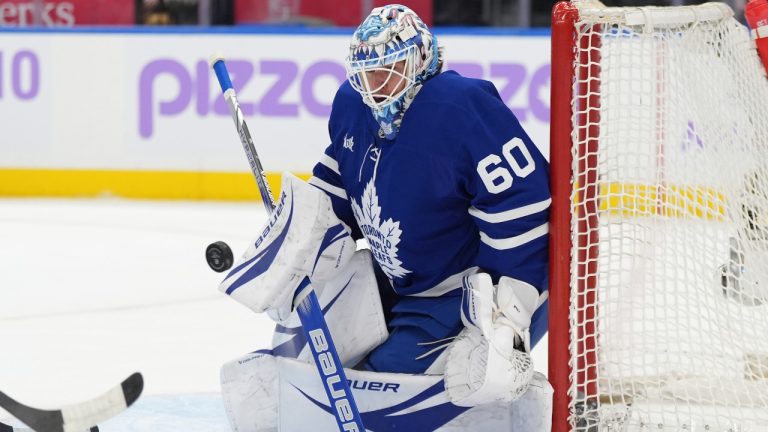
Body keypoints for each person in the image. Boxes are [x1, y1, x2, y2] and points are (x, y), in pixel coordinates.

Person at [218, 4, 551, 424]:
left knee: (380, 390)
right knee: (303, 360)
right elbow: (337, 187)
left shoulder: (460, 108)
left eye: (388, 69)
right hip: (393, 280)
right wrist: (297, 243)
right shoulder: (351, 105)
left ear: (421, 60)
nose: (374, 85)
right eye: (367, 72)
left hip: (463, 292)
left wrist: (508, 316)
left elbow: (525, 210)